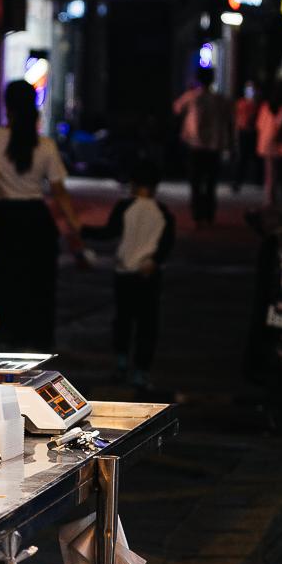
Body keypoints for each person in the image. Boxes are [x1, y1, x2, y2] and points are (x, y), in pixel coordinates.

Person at [0, 79, 83, 351]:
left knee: (3, 281)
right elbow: (59, 192)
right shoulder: (46, 145)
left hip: (2, 220)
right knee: (37, 286)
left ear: (7, 106)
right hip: (36, 222)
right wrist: (75, 229)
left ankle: (3, 334)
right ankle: (35, 340)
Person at [83, 160, 175, 391]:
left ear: (133, 183)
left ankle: (121, 362)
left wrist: (81, 230)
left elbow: (108, 232)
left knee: (123, 320)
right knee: (148, 324)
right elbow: (166, 245)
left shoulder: (124, 207)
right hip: (149, 275)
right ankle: (141, 372)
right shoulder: (164, 213)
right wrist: (154, 262)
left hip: (124, 273)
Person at [172, 67, 232, 226]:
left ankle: (197, 214)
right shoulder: (219, 99)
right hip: (214, 145)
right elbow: (229, 118)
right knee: (211, 181)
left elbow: (176, 108)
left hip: (195, 144)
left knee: (196, 181)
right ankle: (209, 214)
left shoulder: (192, 97)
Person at [255, 82, 282, 208]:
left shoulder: (265, 106)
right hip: (281, 145)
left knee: (270, 175)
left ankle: (270, 202)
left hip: (266, 144)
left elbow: (259, 125)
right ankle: (280, 204)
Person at [233, 81, 258, 191]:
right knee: (242, 158)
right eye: (248, 89)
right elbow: (236, 118)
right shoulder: (241, 103)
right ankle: (238, 181)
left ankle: (258, 180)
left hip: (253, 132)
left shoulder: (256, 104)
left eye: (251, 89)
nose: (250, 92)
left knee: (255, 157)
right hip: (243, 132)